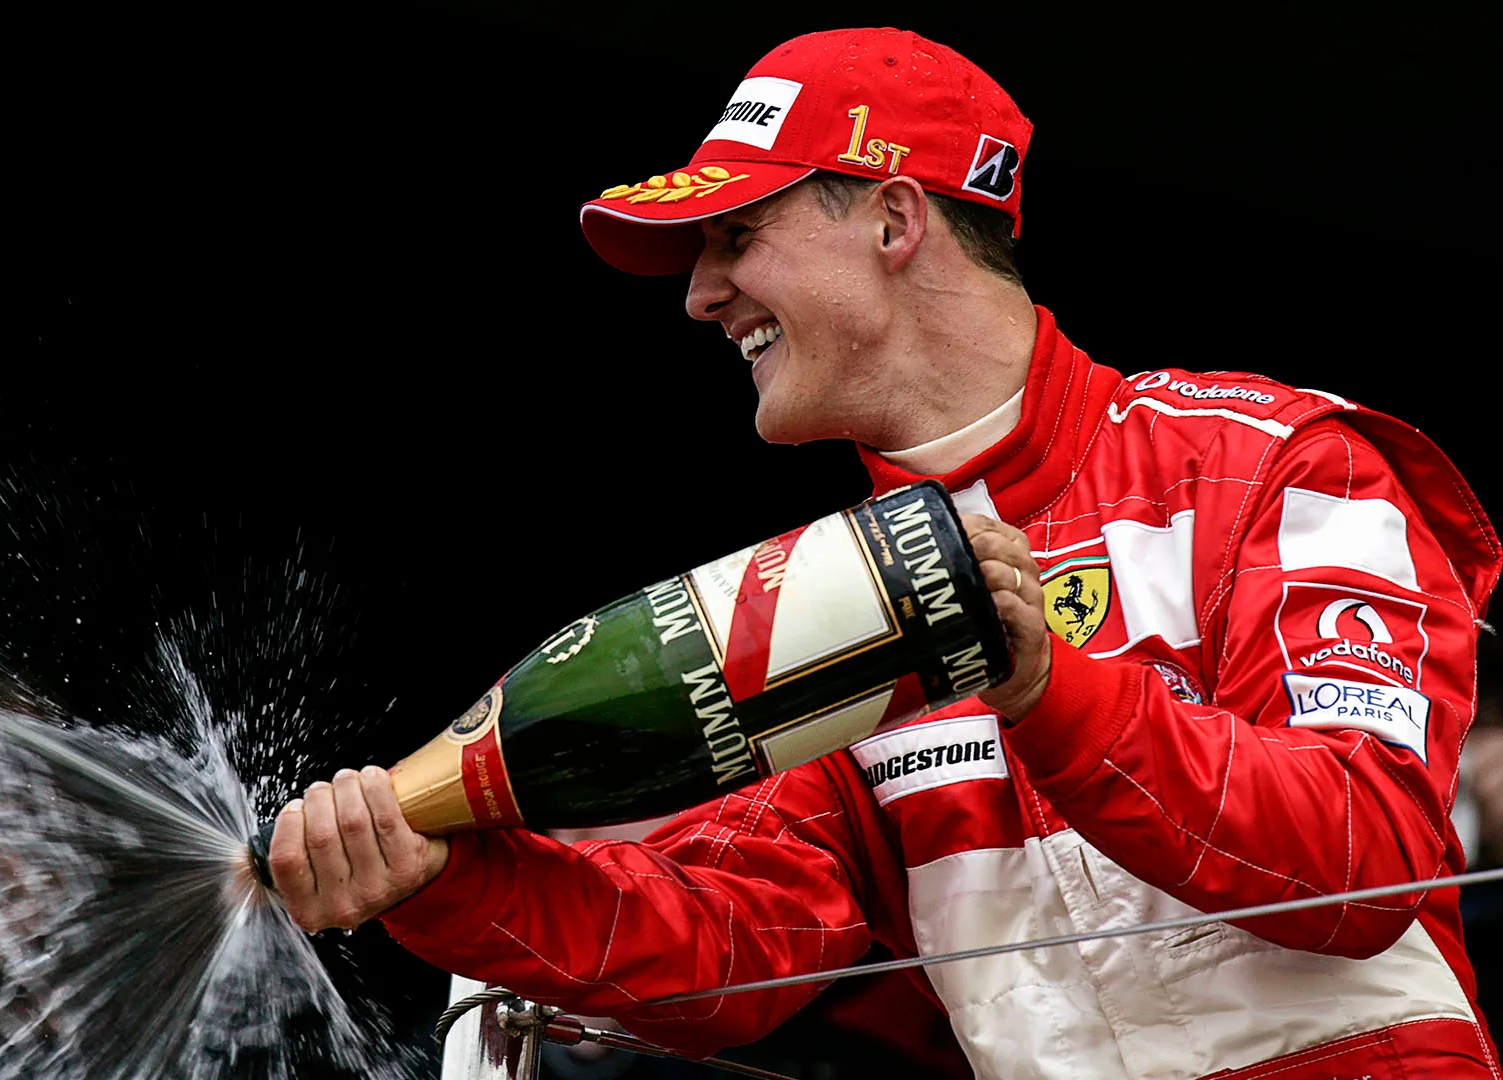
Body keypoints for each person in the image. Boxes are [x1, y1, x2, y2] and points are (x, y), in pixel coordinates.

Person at [265, 27, 1503, 1078]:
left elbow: (1368, 864)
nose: (700, 295)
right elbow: (733, 943)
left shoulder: (1269, 460)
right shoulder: (822, 595)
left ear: (896, 219)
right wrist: (439, 884)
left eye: (735, 235)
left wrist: (1047, 689)